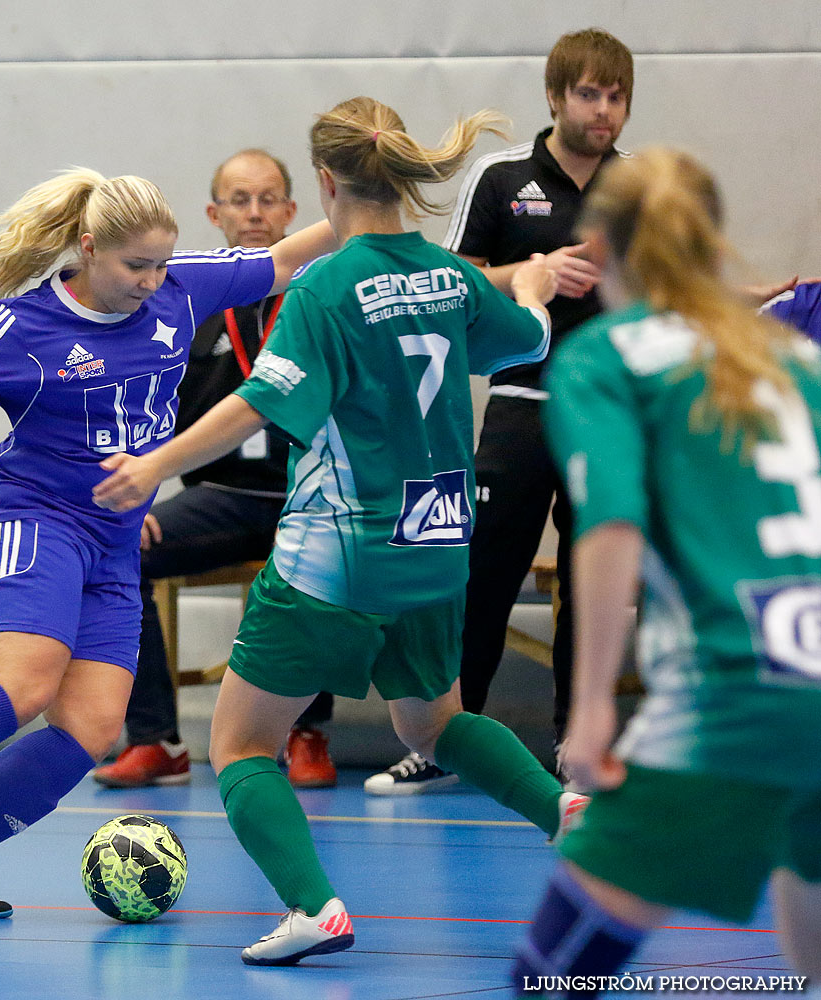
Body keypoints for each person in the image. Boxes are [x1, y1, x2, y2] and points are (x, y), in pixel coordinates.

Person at [94, 96, 585, 966]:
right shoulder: (449, 274)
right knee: (434, 724)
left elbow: (262, 399)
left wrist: (155, 464)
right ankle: (567, 813)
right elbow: (520, 343)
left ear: (323, 182)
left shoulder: (324, 287)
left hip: (339, 554)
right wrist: (539, 288)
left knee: (241, 746)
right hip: (439, 542)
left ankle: (313, 907)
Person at [0, 168, 337, 919]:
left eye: (161, 264)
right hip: (30, 519)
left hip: (112, 539)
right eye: (134, 265)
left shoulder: (178, 290)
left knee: (93, 726)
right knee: (26, 686)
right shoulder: (24, 326)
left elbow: (280, 261)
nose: (151, 280)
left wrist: (367, 208)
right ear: (87, 248)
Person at [513, 148, 821, 991]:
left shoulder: (607, 359)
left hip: (739, 689)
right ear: (712, 240)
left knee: (550, 975)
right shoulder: (789, 355)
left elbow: (609, 526)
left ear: (598, 251)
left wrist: (589, 712)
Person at [367, 27, 634, 795]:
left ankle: (575, 747)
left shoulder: (638, 184)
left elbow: (670, 289)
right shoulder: (502, 175)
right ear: (555, 96)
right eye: (589, 93)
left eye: (616, 95)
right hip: (520, 401)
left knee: (594, 580)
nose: (604, 109)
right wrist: (538, 271)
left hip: (609, 412)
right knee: (482, 570)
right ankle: (447, 738)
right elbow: (456, 281)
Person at [93, 148, 337, 791]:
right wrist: (136, 493)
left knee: (324, 562)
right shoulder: (180, 302)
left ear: (291, 210)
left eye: (267, 200)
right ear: (214, 213)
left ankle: (306, 734)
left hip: (312, 497)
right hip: (221, 496)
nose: (254, 213)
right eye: (239, 200)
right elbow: (140, 409)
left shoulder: (327, 293)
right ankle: (155, 740)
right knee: (120, 554)